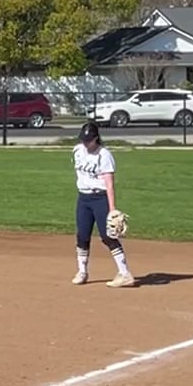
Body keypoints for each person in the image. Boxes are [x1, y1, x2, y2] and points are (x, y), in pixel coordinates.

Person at [73, 121, 135, 287]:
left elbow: (109, 184)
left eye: (89, 140)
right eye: (83, 139)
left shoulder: (104, 155)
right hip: (83, 198)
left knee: (108, 236)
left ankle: (125, 274)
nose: (85, 143)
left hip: (100, 198)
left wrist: (112, 208)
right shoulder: (77, 151)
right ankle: (82, 272)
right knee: (82, 236)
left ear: (96, 138)